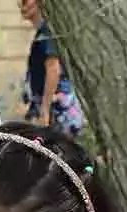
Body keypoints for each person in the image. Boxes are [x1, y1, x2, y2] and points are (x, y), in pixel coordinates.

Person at [18, 0, 84, 139]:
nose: (20, 4)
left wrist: (45, 111)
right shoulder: (43, 32)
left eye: (25, 1)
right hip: (53, 105)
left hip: (57, 108)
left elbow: (53, 69)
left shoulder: (47, 33)